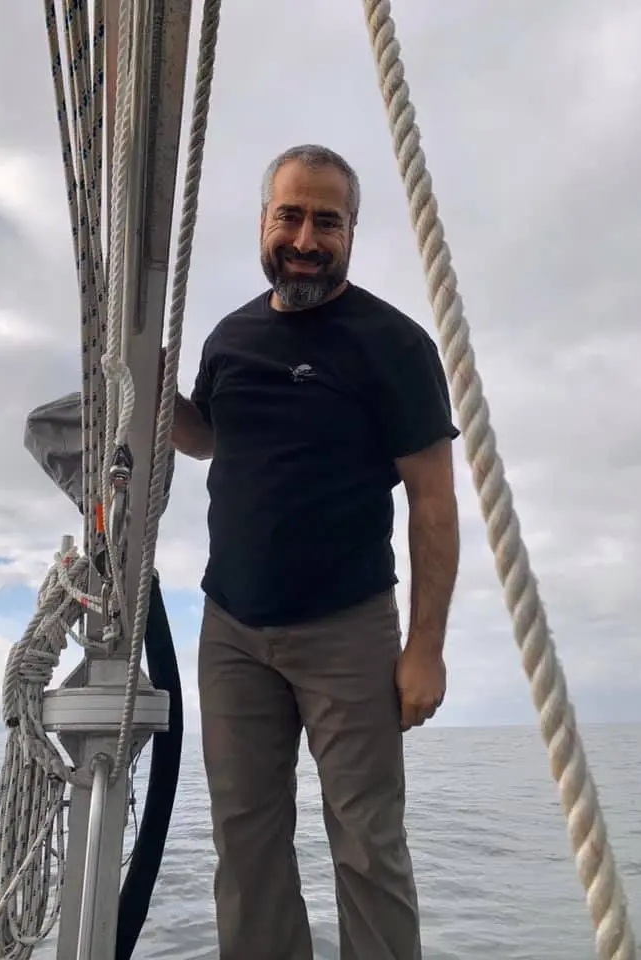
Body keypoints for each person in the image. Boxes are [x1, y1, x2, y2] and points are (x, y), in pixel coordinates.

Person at [172, 144, 460, 960]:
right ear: (264, 220)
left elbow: (434, 505)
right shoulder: (230, 337)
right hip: (231, 628)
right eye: (290, 215)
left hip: (348, 629)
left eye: (325, 220)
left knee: (368, 847)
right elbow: (209, 440)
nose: (305, 236)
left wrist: (424, 649)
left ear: (352, 231)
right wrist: (157, 397)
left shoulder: (393, 344)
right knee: (245, 842)